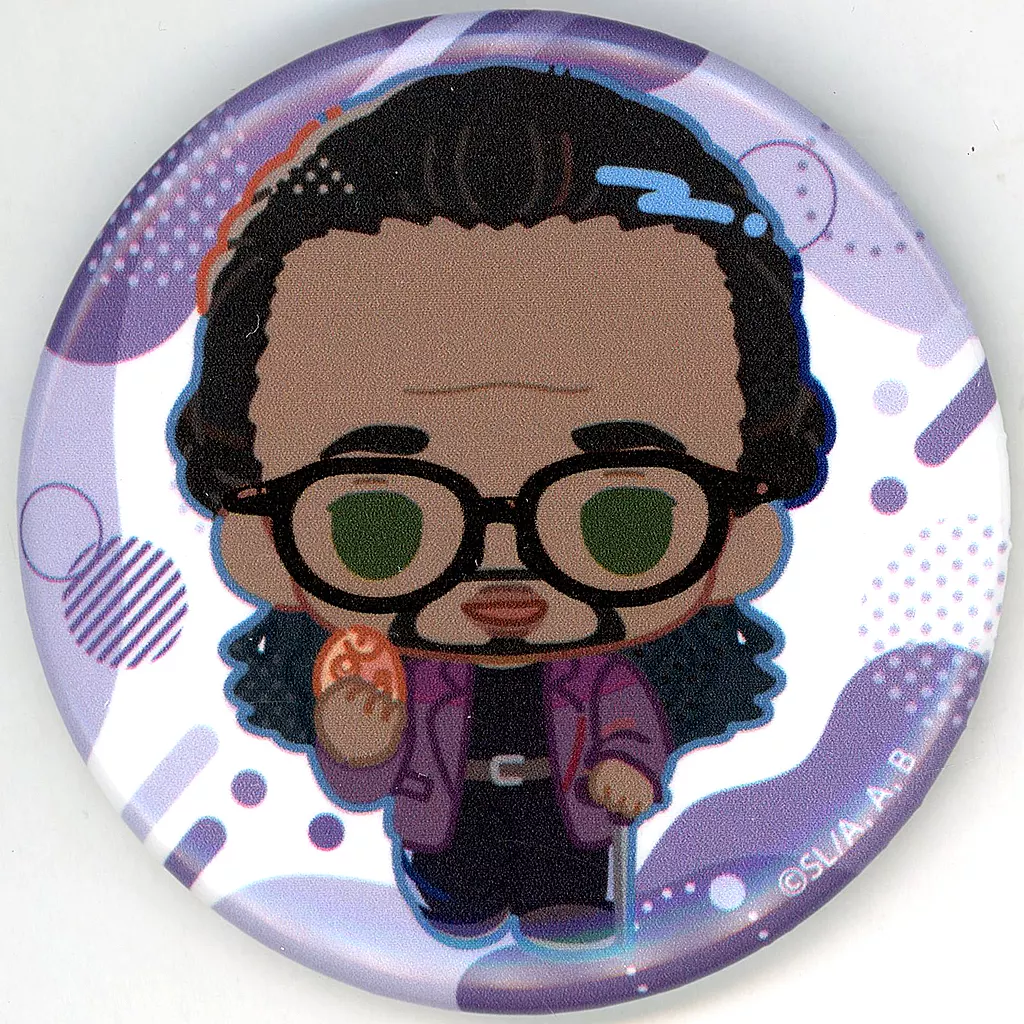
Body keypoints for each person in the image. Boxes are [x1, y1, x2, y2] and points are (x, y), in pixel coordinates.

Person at [173, 65, 832, 946]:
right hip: (446, 828)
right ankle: (459, 910)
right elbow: (364, 778)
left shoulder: (606, 674)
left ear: (746, 532)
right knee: (456, 899)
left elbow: (629, 725)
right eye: (381, 526)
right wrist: (360, 744)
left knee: (571, 911)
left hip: (574, 826)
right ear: (257, 541)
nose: (501, 571)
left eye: (622, 520)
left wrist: (630, 771)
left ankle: (564, 923)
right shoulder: (400, 672)